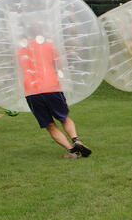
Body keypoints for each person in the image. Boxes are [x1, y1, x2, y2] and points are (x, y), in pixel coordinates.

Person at [17, 29, 92, 159]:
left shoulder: (20, 51)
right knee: (64, 118)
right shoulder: (49, 46)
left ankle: (72, 151)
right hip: (51, 87)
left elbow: (20, 71)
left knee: (50, 125)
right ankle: (76, 140)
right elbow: (60, 66)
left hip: (31, 91)